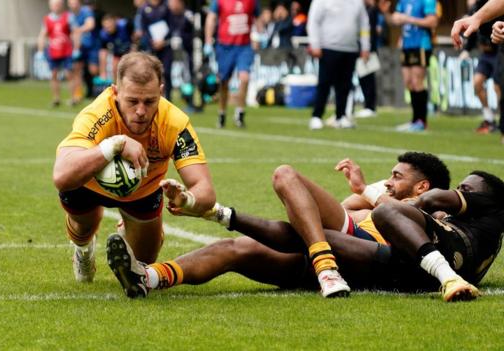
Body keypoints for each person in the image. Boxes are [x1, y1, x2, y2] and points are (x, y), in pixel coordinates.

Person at [106, 152, 452, 298]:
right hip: (331, 251)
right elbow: (321, 214)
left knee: (286, 175)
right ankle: (148, 278)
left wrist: (366, 191)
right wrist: (363, 195)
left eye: (397, 176)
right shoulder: (377, 198)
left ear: (422, 186)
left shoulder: (431, 208)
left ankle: (324, 265)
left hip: (369, 256)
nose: (388, 181)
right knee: (236, 250)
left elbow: (420, 232)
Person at [52, 52, 216, 287]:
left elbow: (206, 191)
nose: (140, 110)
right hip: (89, 185)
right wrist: (114, 145)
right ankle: (83, 249)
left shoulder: (175, 123)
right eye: (132, 101)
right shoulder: (97, 114)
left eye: (149, 101)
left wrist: (186, 199)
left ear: (161, 92)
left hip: (143, 191)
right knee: (83, 225)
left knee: (143, 260)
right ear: (116, 92)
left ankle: (126, 231)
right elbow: (61, 175)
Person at [372, 170, 504, 301]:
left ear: (485, 197)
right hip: (421, 268)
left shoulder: (492, 206)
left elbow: (431, 198)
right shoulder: (467, 220)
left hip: (453, 259)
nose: (458, 192)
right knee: (350, 245)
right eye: (457, 188)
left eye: (465, 189)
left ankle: (449, 278)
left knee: (384, 210)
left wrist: (408, 208)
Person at [307, 0, 370, 130]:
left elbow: (364, 24)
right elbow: (313, 21)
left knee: (345, 85)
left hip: (350, 48)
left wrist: (365, 46)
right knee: (324, 83)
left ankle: (340, 116)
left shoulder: (357, 2)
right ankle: (317, 116)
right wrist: (315, 44)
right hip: (328, 47)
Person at [380, 0, 438, 132]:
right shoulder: (403, 2)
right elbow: (395, 21)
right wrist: (386, 13)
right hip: (407, 45)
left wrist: (408, 19)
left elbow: (432, 21)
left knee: (417, 81)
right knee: (408, 82)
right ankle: (414, 120)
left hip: (421, 44)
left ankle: (421, 121)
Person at [204, 0, 260, 128]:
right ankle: (222, 113)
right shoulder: (220, 1)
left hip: (244, 46)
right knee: (224, 82)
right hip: (225, 47)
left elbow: (257, 19)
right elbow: (211, 18)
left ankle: (240, 113)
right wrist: (208, 40)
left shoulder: (251, 1)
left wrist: (259, 35)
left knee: (245, 77)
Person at [460, 0, 501, 134]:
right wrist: (466, 50)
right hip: (485, 54)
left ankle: (502, 120)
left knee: (498, 87)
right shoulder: (475, 9)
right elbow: (472, 32)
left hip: (498, 52)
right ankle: (489, 118)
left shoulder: (495, 6)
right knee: (477, 82)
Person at [37, 0, 77, 107]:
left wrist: (77, 48)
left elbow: (74, 32)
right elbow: (42, 35)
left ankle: (73, 98)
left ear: (62, 6)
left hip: (66, 50)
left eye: (58, 4)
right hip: (53, 51)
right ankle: (56, 99)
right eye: (54, 5)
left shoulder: (68, 17)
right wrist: (40, 51)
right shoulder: (47, 19)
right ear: (50, 6)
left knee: (69, 74)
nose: (56, 7)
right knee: (54, 75)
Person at [138, 0, 174, 100]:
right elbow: (144, 29)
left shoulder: (166, 7)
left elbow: (172, 25)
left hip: (165, 46)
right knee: (152, 72)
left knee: (166, 72)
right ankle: (153, 97)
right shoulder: (144, 8)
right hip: (152, 46)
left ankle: (168, 98)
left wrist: (163, 40)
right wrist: (151, 41)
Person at [354, 0, 382, 119]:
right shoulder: (366, 10)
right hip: (363, 48)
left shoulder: (372, 10)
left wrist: (367, 49)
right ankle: (368, 106)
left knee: (368, 78)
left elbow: (370, 31)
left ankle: (370, 107)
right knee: (363, 78)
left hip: (368, 50)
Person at [68, 0, 100, 102]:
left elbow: (90, 25)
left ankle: (99, 93)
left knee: (93, 70)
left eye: (75, 2)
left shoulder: (86, 11)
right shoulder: (70, 16)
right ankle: (78, 95)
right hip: (79, 47)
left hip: (91, 46)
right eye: (71, 3)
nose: (73, 5)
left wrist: (79, 30)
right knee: (77, 70)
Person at [99, 14, 133, 82]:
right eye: (106, 27)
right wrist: (102, 73)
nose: (108, 28)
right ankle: (117, 88)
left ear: (115, 22)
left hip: (130, 52)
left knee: (131, 70)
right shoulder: (103, 34)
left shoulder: (125, 25)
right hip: (117, 53)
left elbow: (136, 32)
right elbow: (103, 52)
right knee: (115, 69)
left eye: (110, 25)